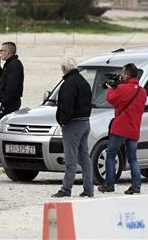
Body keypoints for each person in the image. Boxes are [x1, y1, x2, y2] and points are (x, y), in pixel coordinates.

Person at [98, 63, 146, 195]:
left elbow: (110, 99)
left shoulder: (122, 88)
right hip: (134, 128)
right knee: (133, 158)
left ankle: (109, 184)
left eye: (123, 73)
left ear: (127, 74)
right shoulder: (142, 91)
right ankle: (136, 185)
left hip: (120, 127)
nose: (122, 75)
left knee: (111, 155)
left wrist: (110, 89)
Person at [52, 57, 94, 198]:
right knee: (84, 157)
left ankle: (66, 189)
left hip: (73, 124)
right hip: (85, 122)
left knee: (70, 159)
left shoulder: (68, 84)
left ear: (64, 68)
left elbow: (66, 106)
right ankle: (89, 189)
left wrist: (62, 121)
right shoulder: (83, 81)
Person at [0, 42, 24, 119]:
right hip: (8, 101)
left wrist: (4, 101)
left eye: (2, 50)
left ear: (8, 52)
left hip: (11, 102)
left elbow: (12, 86)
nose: (0, 52)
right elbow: (2, 81)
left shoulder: (14, 65)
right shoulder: (9, 63)